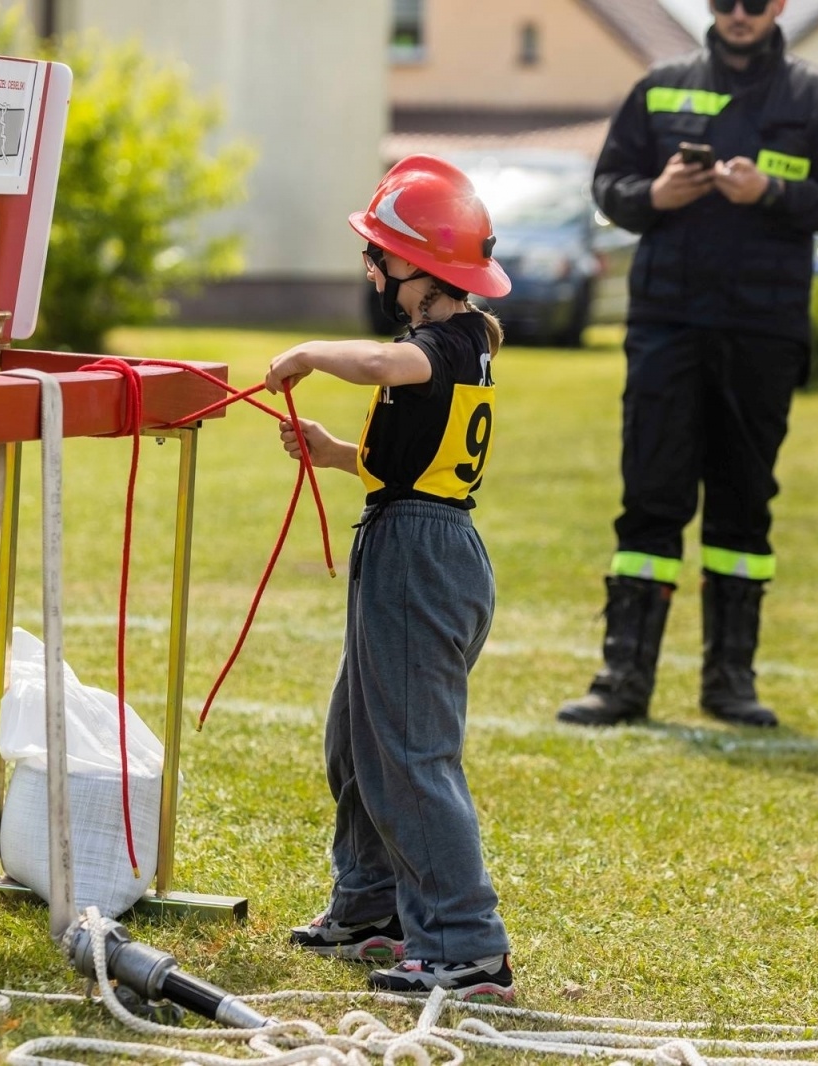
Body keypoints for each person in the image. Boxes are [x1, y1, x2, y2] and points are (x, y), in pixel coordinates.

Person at [557, 0, 818, 729]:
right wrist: (654, 195)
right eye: (723, 1)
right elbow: (609, 187)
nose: (737, 14)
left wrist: (772, 192)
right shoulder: (659, 84)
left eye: (752, 2)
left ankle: (730, 682)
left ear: (778, 6)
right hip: (667, 327)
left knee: (743, 501)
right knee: (651, 498)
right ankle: (622, 679)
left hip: (762, 330)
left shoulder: (815, 94)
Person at [265, 155, 515, 1002]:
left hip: (422, 557)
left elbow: (378, 366)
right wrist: (338, 453)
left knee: (410, 755)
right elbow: (415, 460)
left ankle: (465, 944)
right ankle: (374, 908)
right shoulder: (447, 345)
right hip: (412, 535)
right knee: (357, 740)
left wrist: (309, 352)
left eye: (379, 253)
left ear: (419, 268)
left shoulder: (443, 341)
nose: (371, 268)